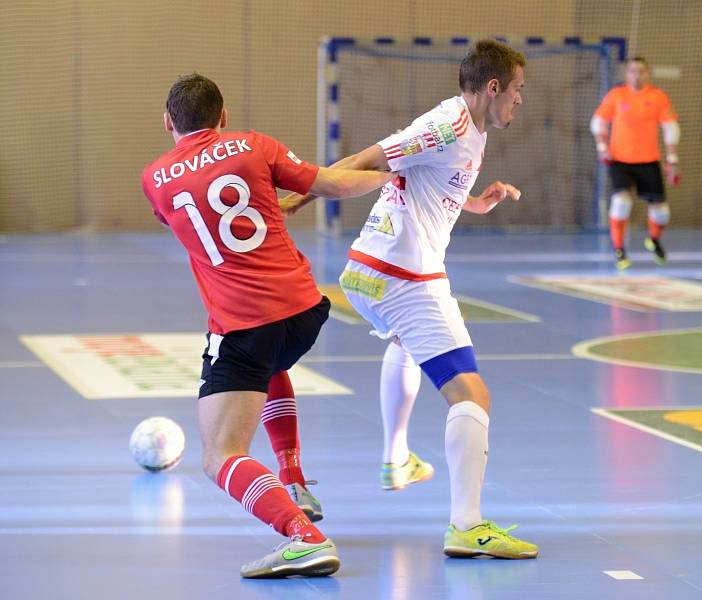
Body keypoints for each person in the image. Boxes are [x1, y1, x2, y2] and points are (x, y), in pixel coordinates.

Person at [281, 40, 539, 560]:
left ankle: (396, 458)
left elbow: (425, 178)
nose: (519, 101)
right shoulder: (445, 127)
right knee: (472, 395)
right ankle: (467, 526)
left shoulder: (469, 129)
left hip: (375, 272)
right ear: (493, 88)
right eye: (517, 91)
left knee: (405, 343)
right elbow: (366, 160)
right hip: (404, 276)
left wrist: (473, 201)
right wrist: (295, 199)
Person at [141, 73, 392, 578]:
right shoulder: (255, 145)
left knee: (219, 456)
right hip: (303, 312)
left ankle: (304, 537)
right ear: (224, 116)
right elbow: (332, 184)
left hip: (242, 326)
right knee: (271, 363)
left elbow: (191, 219)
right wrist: (396, 175)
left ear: (167, 122)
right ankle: (292, 476)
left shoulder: (155, 180)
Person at [591, 56, 681, 270]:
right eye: (632, 71)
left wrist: (672, 160)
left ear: (647, 74)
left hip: (648, 161)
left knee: (661, 211)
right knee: (622, 202)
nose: (636, 75)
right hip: (619, 160)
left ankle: (654, 240)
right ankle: (620, 250)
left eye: (641, 71)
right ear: (626, 73)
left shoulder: (658, 97)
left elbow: (671, 128)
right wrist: (602, 147)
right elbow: (598, 123)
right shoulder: (616, 95)